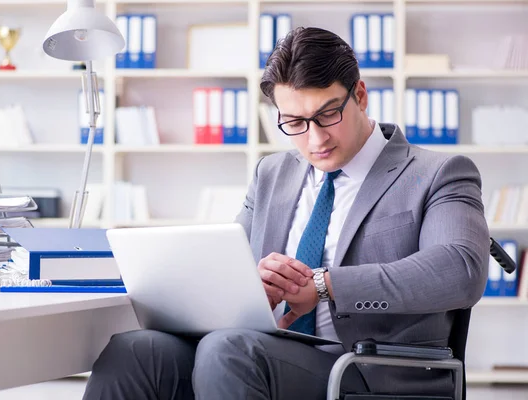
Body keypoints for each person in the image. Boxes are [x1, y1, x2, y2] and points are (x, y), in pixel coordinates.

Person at [83, 26, 489, 399]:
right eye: (294, 122)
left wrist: (326, 284)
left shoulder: (437, 172)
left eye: (328, 114)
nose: (316, 138)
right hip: (268, 347)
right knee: (134, 349)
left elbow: (460, 270)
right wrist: (252, 284)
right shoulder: (271, 174)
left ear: (360, 95)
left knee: (229, 350)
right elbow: (229, 266)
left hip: (373, 369)